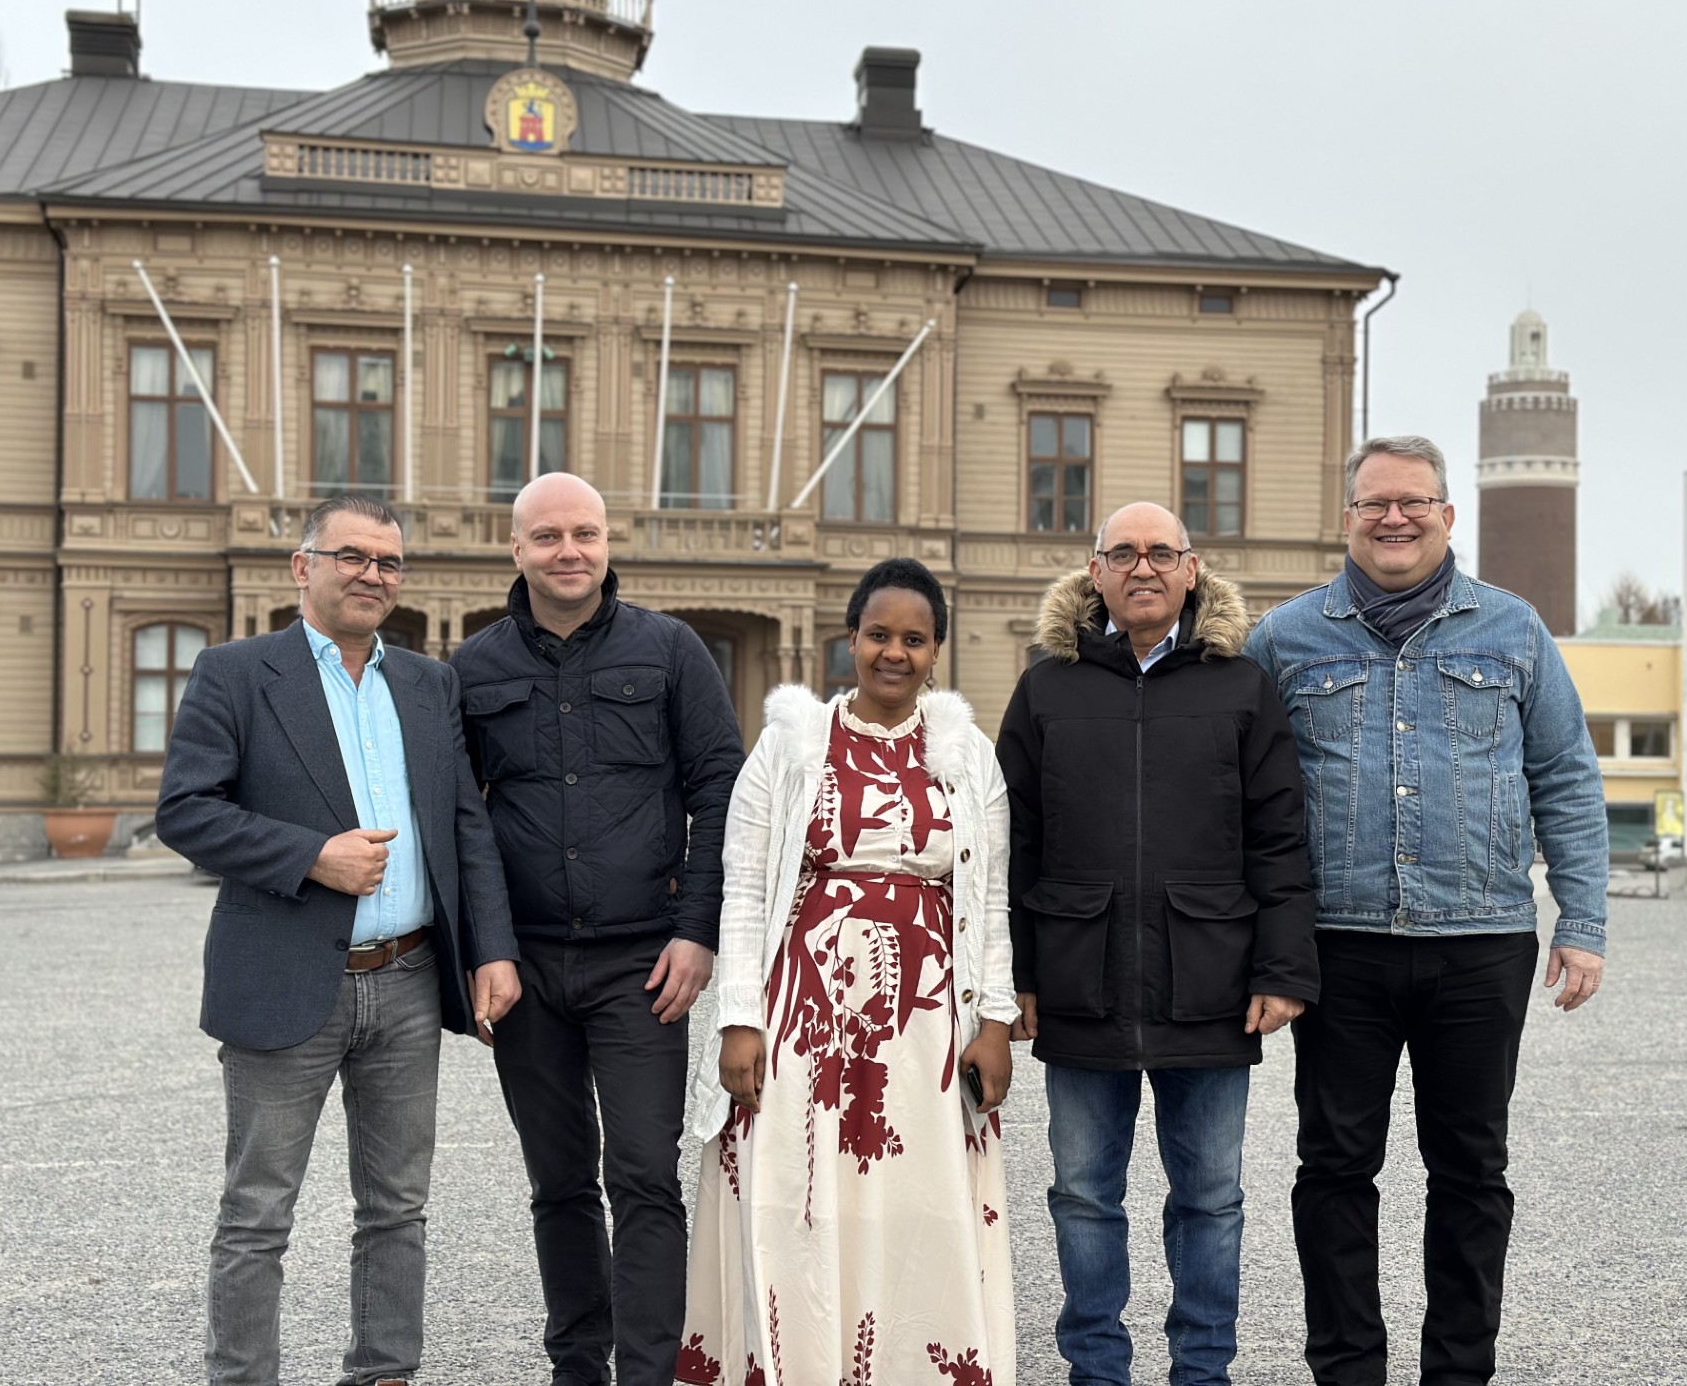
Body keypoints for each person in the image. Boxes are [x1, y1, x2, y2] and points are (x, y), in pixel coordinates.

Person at [1243, 435, 1608, 1386]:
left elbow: (1566, 777)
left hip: (1482, 945)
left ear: (1447, 515)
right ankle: (1348, 1371)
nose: (1394, 518)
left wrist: (1581, 924)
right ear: (1348, 517)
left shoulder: (1514, 630)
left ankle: (1458, 1372)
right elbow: (1240, 796)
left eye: (1413, 502)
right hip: (1339, 949)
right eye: (1375, 503)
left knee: (1472, 1172)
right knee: (1333, 1169)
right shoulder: (1284, 640)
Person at [157, 494, 522, 1386]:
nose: (372, 575)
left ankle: (384, 1371)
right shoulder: (236, 673)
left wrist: (492, 948)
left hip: (409, 978)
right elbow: (186, 810)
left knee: (397, 1207)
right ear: (304, 566)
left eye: (388, 562)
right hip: (284, 977)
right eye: (352, 556)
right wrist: (311, 856)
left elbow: (465, 823)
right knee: (257, 1214)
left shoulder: (428, 683)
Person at [996, 502, 1320, 1386]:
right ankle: (1097, 1370)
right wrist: (1013, 975)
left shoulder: (1241, 685)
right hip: (1079, 979)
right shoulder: (1046, 687)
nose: (1144, 568)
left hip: (1209, 982)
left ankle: (1201, 1371)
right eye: (1125, 553)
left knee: (1210, 1199)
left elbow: (1279, 837)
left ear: (1192, 568)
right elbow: (1012, 841)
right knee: (1082, 1196)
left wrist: (1282, 968)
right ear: (1095, 570)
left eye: (1161, 553)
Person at [679, 556, 1018, 1386]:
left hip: (927, 1025)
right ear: (851, 638)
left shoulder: (968, 756)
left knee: (916, 1199)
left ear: (935, 650)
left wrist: (996, 1022)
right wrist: (738, 1018)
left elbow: (991, 898)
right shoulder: (790, 746)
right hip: (804, 1018)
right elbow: (744, 889)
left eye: (914, 639)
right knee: (798, 1196)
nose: (893, 653)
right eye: (878, 635)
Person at [449, 472, 745, 1386]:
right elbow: (459, 818)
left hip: (642, 962)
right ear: (517, 549)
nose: (568, 551)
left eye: (584, 533)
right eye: (547, 536)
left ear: (608, 542)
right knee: (560, 1180)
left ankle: (648, 1374)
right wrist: (487, 948)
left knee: (646, 1176)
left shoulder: (672, 650)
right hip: (526, 967)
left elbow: (721, 790)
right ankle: (577, 1366)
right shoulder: (471, 668)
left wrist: (697, 931)